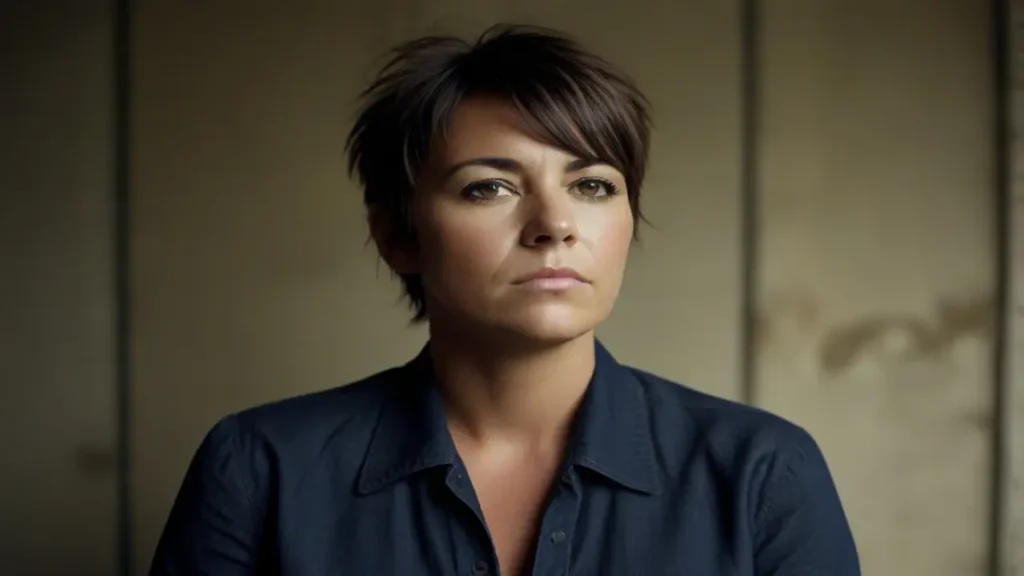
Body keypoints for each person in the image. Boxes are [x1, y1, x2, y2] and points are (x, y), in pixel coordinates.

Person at [150, 24, 860, 576]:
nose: (554, 224)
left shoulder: (762, 472)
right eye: (489, 187)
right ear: (399, 236)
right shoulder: (259, 468)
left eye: (593, 185)